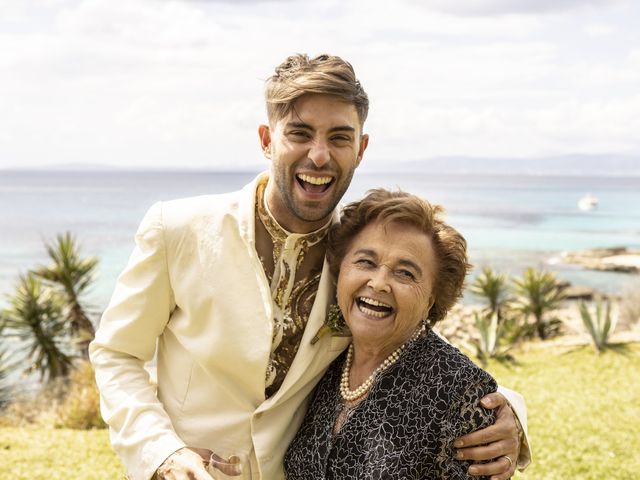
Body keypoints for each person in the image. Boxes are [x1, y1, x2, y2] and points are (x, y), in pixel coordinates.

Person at [89, 53, 530, 480]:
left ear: (360, 148)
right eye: (299, 133)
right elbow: (116, 353)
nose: (319, 155)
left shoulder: (356, 256)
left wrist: (502, 409)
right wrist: (161, 450)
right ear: (266, 139)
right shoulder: (178, 229)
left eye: (339, 137)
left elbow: (409, 336)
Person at [285, 189, 502, 479]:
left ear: (431, 300)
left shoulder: (462, 391)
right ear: (339, 271)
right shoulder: (323, 361)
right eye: (366, 262)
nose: (378, 283)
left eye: (405, 273)